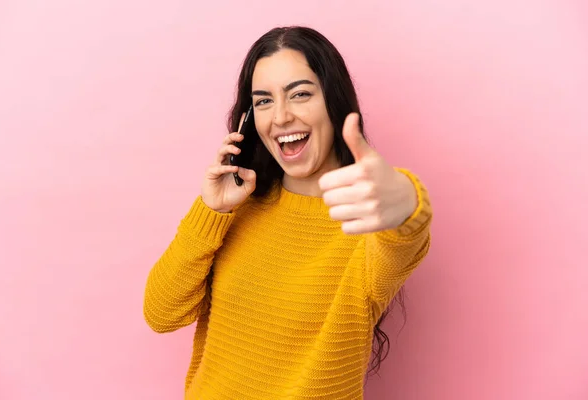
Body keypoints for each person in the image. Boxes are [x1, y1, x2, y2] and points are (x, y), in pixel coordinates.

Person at [143, 25, 432, 400]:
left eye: (299, 94)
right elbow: (161, 314)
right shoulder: (236, 209)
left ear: (334, 101)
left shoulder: (367, 222)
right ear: (250, 119)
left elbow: (405, 234)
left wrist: (405, 197)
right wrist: (211, 211)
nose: (280, 117)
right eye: (263, 101)